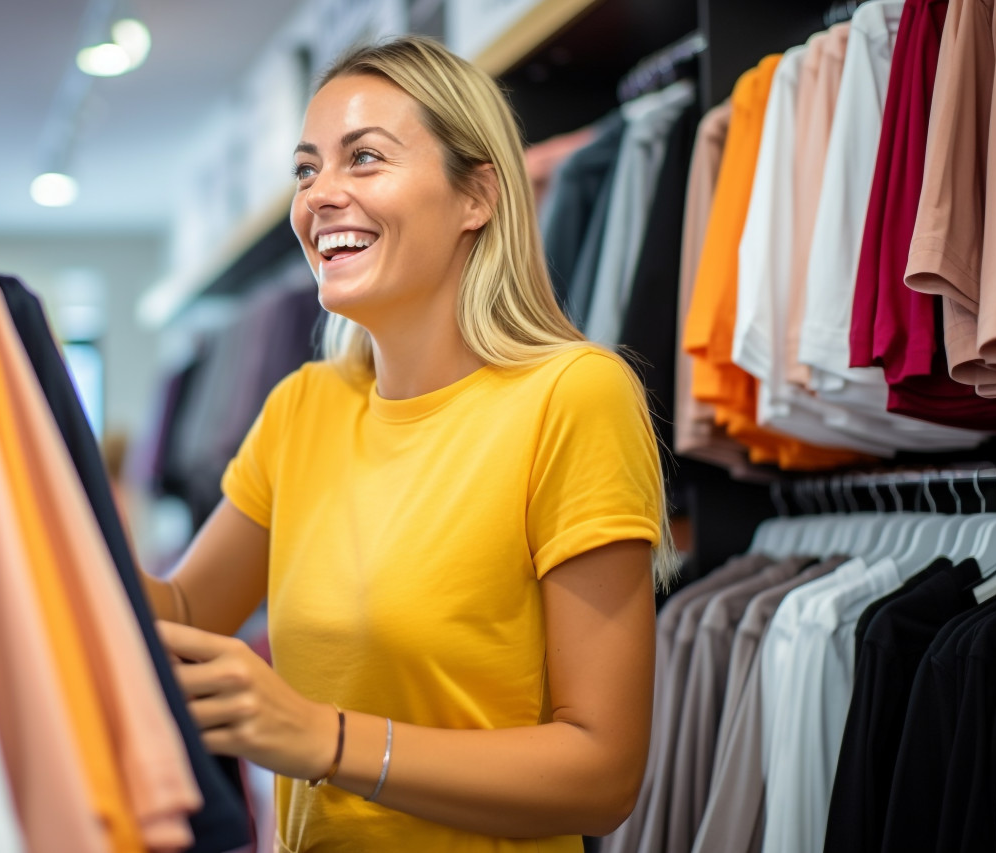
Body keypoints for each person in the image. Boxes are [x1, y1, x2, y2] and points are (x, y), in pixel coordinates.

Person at [147, 35, 677, 852]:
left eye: (363, 158)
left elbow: (601, 774)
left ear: (478, 196)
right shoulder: (304, 406)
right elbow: (184, 612)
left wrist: (325, 739)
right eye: (305, 169)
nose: (319, 194)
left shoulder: (573, 394)